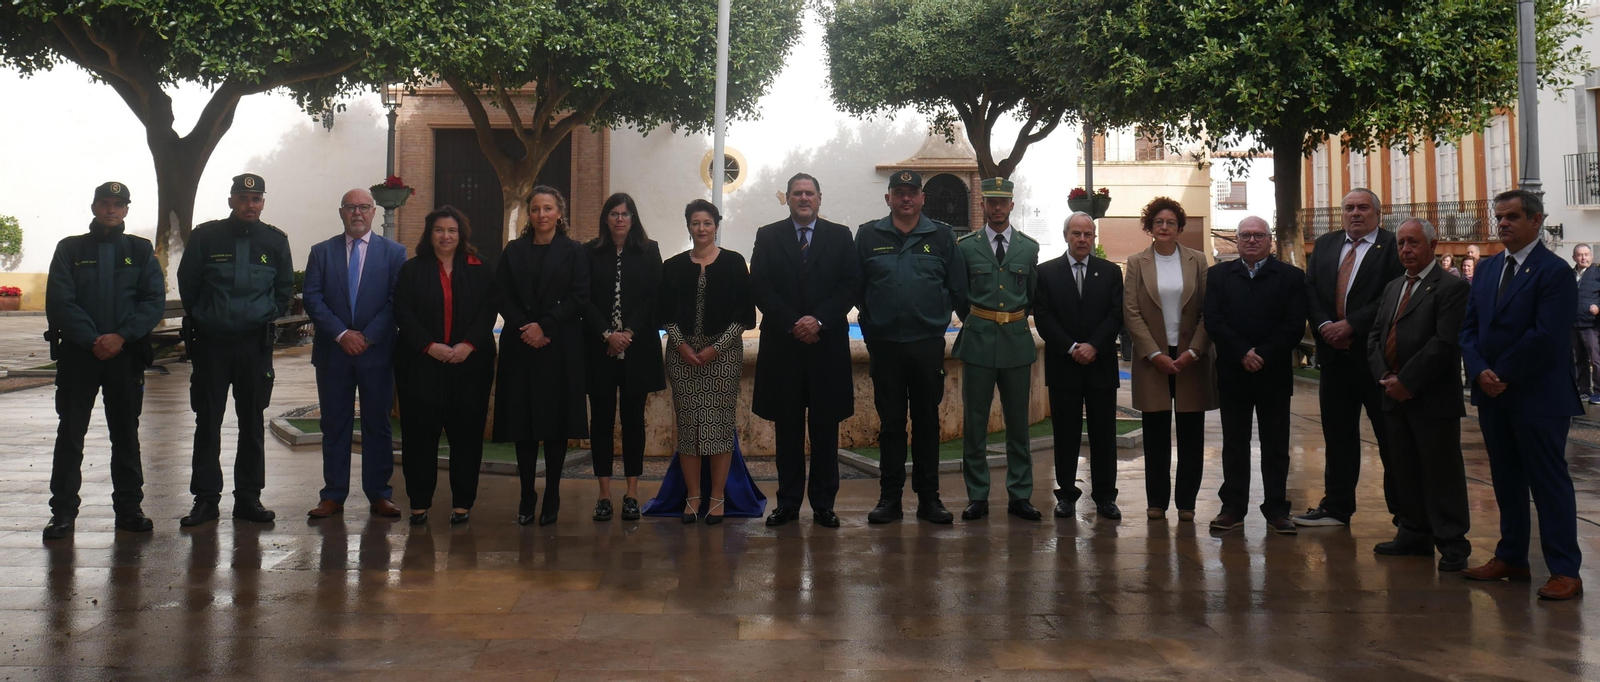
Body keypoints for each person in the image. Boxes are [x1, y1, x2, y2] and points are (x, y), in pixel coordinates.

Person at [1461, 189, 1585, 600]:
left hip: (1538, 395)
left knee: (1548, 482)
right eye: (1499, 217)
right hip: (1493, 394)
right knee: (1506, 481)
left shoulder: (1554, 271)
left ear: (1536, 220)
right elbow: (1470, 329)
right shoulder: (1488, 268)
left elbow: (1547, 336)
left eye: (1513, 216)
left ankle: (1565, 569)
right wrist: (1479, 371)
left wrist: (1504, 373)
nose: (1503, 224)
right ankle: (1511, 556)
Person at [41, 181, 164, 539]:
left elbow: (152, 301)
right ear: (94, 207)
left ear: (127, 210)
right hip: (80, 356)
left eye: (118, 204)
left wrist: (120, 336)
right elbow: (60, 301)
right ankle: (62, 512)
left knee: (126, 434)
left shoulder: (139, 252)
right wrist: (93, 339)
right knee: (70, 433)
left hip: (124, 356)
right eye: (105, 203)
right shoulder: (70, 249)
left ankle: (129, 508)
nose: (111, 209)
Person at [176, 173, 294, 527]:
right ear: (231, 200)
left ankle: (248, 498)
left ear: (263, 202)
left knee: (251, 423)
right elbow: (189, 284)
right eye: (243, 198)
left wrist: (260, 315)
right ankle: (206, 500)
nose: (250, 204)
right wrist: (206, 316)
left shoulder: (274, 241)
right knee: (207, 421)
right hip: (211, 344)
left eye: (256, 198)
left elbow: (283, 288)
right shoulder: (206, 236)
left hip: (253, 345)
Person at [855, 169, 967, 525]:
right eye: (899, 191)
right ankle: (889, 499)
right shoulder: (869, 235)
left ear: (922, 198)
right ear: (888, 197)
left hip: (926, 345)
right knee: (890, 425)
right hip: (885, 345)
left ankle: (929, 499)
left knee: (926, 423)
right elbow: (855, 286)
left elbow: (958, 288)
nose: (906, 198)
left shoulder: (943, 236)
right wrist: (872, 325)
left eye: (912, 192)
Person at [751, 173, 859, 529]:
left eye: (809, 193)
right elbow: (760, 286)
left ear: (820, 198)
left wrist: (819, 321)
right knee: (788, 430)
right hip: (784, 348)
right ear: (788, 198)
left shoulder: (841, 236)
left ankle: (824, 504)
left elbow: (850, 285)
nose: (803, 198)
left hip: (826, 348)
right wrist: (795, 323)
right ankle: (788, 503)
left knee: (826, 430)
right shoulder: (768, 236)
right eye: (797, 193)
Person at [1364, 217, 1472, 571]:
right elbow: (1376, 336)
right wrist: (1385, 376)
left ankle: (1453, 542)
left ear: (1432, 245)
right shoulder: (1395, 286)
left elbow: (1444, 343)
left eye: (1413, 242)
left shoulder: (1451, 288)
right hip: (1392, 396)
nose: (1406, 249)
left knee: (1441, 472)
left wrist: (1407, 382)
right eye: (1401, 244)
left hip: (1431, 398)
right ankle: (1413, 534)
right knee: (1402, 469)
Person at [1295, 188, 1404, 527]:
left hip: (1375, 359)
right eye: (1349, 208)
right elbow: (1310, 289)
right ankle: (1337, 507)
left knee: (1390, 437)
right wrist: (1326, 325)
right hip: (1334, 357)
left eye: (1363, 208)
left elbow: (1394, 293)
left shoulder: (1392, 247)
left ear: (1377, 213)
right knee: (1338, 436)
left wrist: (1351, 325)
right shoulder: (1327, 245)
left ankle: (1403, 512)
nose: (1356, 214)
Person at [303, 189, 408, 520]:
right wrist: (341, 334)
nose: (357, 213)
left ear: (374, 212)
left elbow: (397, 301)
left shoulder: (395, 253)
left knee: (378, 425)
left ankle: (380, 495)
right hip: (333, 354)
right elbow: (313, 297)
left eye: (364, 207)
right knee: (335, 425)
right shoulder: (321, 252)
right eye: (351, 208)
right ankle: (333, 495)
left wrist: (366, 337)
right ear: (341, 212)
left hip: (376, 355)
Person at [493, 186, 590, 526]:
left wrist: (545, 327)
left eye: (548, 208)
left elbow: (580, 296)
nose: (541, 215)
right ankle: (525, 492)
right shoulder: (514, 250)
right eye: (535, 209)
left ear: (559, 213)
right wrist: (526, 327)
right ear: (529, 215)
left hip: (559, 347)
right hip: (521, 346)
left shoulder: (574, 251)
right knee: (524, 424)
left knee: (555, 423)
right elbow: (500, 293)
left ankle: (552, 492)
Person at [1203, 216, 1306, 534]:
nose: (1251, 240)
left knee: (1276, 445)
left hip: (1273, 373)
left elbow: (1293, 323)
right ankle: (1232, 508)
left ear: (1270, 240)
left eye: (1258, 235)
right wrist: (1242, 352)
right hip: (1235, 372)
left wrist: (1262, 353)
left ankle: (1277, 509)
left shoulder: (1290, 277)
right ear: (1236, 240)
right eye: (1245, 235)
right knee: (1235, 443)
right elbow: (1213, 319)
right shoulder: (1218, 275)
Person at [394, 206, 496, 526]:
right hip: (422, 366)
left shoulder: (480, 269)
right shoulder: (412, 270)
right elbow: (403, 312)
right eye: (439, 230)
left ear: (461, 234)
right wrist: (430, 346)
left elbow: (488, 310)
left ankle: (463, 503)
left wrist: (467, 345)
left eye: (452, 231)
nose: (446, 236)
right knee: (419, 436)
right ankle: (419, 503)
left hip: (470, 366)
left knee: (466, 437)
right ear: (430, 234)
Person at [659, 199, 757, 525]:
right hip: (682, 357)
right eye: (695, 223)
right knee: (688, 428)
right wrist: (682, 345)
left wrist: (718, 348)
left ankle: (717, 496)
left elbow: (744, 315)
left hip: (723, 358)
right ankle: (692, 496)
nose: (701, 229)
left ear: (717, 225)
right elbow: (666, 313)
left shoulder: (733, 262)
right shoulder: (672, 266)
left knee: (718, 426)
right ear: (688, 226)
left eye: (707, 223)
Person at [953, 177, 1041, 522]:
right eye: (991, 202)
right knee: (975, 424)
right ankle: (977, 495)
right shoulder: (965, 247)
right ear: (983, 206)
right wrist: (979, 319)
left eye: (1003, 202)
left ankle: (1020, 495)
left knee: (1018, 424)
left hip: (1016, 343)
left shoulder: (1027, 248)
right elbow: (960, 295)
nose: (997, 208)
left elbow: (1031, 295)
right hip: (977, 341)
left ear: (1012, 206)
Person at [1124, 197, 1217, 522]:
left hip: (1191, 358)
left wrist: (1195, 350)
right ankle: (1157, 503)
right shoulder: (1137, 262)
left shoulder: (1198, 260)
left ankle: (1188, 504)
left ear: (1180, 228)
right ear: (1150, 227)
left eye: (1171, 223)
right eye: (1159, 222)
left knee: (1192, 434)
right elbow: (1132, 312)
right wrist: (1153, 353)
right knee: (1156, 434)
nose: (1165, 227)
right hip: (1154, 360)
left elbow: (1210, 310)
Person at [1033, 212, 1123, 520]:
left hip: (1100, 365)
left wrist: (1094, 345)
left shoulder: (1110, 272)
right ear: (1066, 236)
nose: (1082, 239)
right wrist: (1072, 347)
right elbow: (1043, 317)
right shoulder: (1045, 272)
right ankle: (1067, 495)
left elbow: (1115, 314)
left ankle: (1105, 497)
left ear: (1094, 238)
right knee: (1066, 434)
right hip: (1064, 365)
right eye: (1076, 233)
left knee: (1103, 434)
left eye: (1088, 234)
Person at [584, 193, 665, 522]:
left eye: (626, 214)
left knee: (633, 421)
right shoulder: (589, 252)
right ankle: (604, 494)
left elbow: (654, 296)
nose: (620, 219)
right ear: (606, 218)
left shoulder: (649, 251)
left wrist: (628, 333)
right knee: (601, 421)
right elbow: (583, 298)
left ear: (633, 219)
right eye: (614, 213)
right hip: (600, 349)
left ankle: (632, 492)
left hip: (637, 348)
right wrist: (607, 333)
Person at [1572, 244, 1600, 404]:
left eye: (1587, 254)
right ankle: (1584, 390)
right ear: (1574, 257)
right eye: (1580, 255)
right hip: (1573, 324)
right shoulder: (1569, 274)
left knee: (1596, 360)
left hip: (1591, 325)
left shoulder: (1598, 274)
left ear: (1591, 256)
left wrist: (1599, 307)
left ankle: (1598, 392)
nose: (1584, 258)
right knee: (1579, 360)